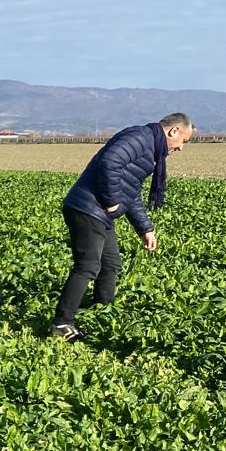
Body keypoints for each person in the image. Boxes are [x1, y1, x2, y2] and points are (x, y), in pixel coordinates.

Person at [50, 112, 193, 339]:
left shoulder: (149, 148)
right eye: (184, 141)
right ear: (174, 131)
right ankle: (62, 324)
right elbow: (109, 162)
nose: (181, 148)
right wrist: (112, 200)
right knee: (87, 266)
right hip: (87, 209)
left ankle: (103, 312)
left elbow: (132, 193)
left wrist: (145, 229)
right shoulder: (140, 137)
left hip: (98, 213)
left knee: (111, 264)